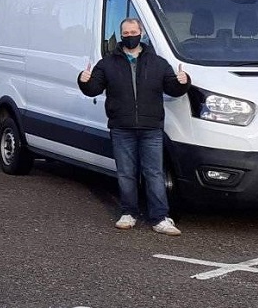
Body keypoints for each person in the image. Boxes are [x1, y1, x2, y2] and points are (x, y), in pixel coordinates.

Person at [77, 18, 191, 235]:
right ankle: (128, 213)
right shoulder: (108, 63)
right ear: (121, 35)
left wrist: (183, 81)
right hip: (122, 126)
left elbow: (173, 88)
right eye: (126, 32)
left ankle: (160, 218)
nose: (130, 36)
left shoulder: (158, 63)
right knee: (126, 173)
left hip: (151, 127)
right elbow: (92, 89)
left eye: (133, 31)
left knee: (154, 173)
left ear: (141, 33)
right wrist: (83, 80)